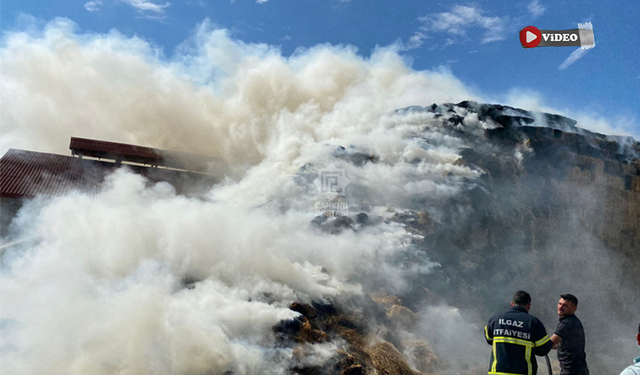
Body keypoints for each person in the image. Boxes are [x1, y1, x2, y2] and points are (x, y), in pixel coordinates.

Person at [485, 290, 553, 375]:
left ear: (512, 304)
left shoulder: (496, 319)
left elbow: (488, 338)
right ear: (528, 306)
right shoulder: (533, 322)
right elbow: (543, 349)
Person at [550, 294, 589, 375]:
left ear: (574, 308)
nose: (560, 307)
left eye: (565, 305)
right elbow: (567, 346)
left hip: (571, 371)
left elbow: (548, 345)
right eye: (559, 303)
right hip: (580, 371)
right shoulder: (573, 321)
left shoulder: (566, 324)